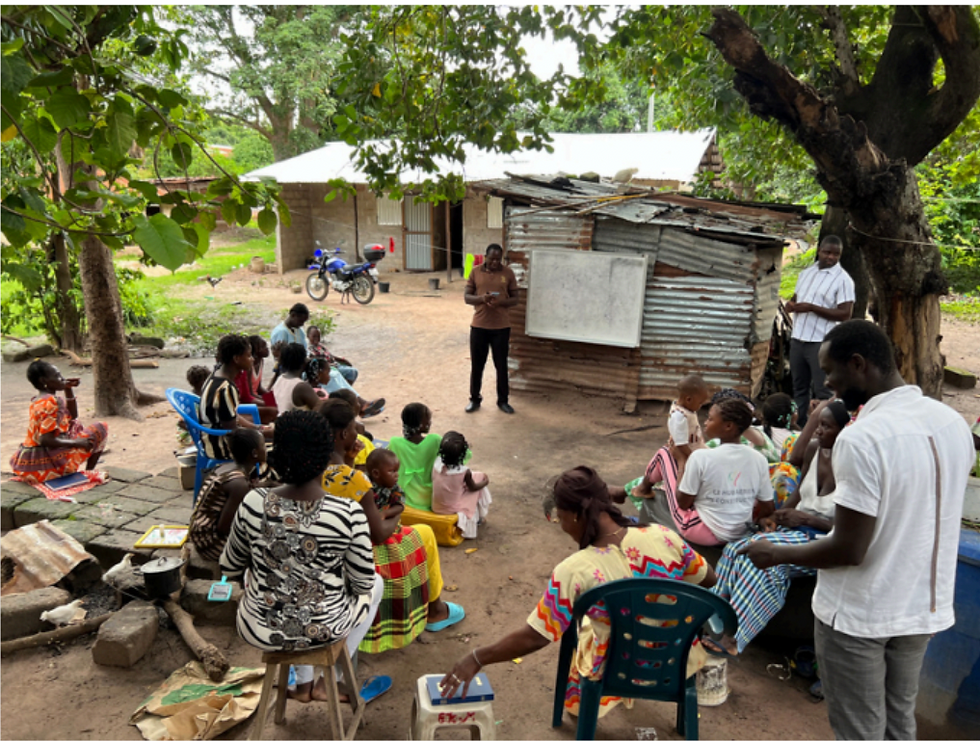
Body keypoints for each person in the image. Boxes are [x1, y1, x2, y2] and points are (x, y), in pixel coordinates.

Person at [741, 320, 974, 740]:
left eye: (831, 372)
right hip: (921, 607)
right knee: (898, 723)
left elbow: (849, 549)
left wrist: (776, 553)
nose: (828, 383)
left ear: (859, 364)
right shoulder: (952, 423)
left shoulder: (862, 438)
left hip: (860, 613)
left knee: (859, 730)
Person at [440, 467, 716, 723]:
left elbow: (536, 636)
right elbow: (708, 579)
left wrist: (477, 657)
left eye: (559, 517)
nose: (562, 526)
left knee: (588, 628)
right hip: (676, 659)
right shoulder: (664, 536)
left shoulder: (574, 570)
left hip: (617, 669)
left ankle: (586, 704)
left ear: (573, 515)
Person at [219, 410, 390, 705]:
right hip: (324, 627)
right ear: (327, 453)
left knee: (277, 582)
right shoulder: (347, 513)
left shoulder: (252, 501)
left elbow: (229, 565)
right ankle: (329, 681)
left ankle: (304, 683)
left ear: (276, 454)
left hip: (260, 626)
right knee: (375, 584)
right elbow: (361, 584)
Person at [707, 399, 849, 655]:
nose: (817, 430)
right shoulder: (815, 449)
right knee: (732, 551)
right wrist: (776, 516)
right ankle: (713, 618)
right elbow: (798, 496)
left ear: (844, 431)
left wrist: (805, 519)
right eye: (818, 424)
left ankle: (734, 638)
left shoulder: (853, 464)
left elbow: (848, 530)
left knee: (763, 565)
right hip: (795, 530)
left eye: (826, 426)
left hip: (823, 538)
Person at [318, 399, 466, 642]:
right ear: (344, 433)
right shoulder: (356, 480)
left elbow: (340, 487)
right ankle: (435, 611)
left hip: (328, 550)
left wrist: (351, 461)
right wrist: (396, 513)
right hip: (358, 554)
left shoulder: (315, 468)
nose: (359, 431)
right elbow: (378, 533)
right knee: (425, 534)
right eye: (355, 427)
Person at [669, 398, 775, 546]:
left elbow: (683, 503)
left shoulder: (700, 457)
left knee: (665, 455)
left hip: (705, 532)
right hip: (741, 533)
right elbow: (768, 506)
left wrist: (681, 463)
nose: (705, 423)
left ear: (728, 426)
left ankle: (642, 488)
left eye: (710, 419)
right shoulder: (759, 459)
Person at [610, 375, 710, 524]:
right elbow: (681, 444)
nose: (701, 407)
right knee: (663, 457)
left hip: (694, 450)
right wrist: (692, 458)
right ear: (688, 399)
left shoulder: (686, 410)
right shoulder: (679, 416)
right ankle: (639, 489)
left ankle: (636, 489)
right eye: (700, 403)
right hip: (686, 453)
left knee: (661, 460)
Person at [786, 236, 855, 425]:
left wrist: (812, 308)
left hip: (821, 341)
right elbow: (796, 298)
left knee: (823, 389)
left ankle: (825, 427)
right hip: (798, 338)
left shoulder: (843, 280)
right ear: (819, 251)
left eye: (836, 254)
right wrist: (791, 305)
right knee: (799, 387)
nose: (831, 257)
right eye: (827, 252)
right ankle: (801, 424)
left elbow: (845, 314)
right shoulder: (806, 274)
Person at [10, 361, 108, 485]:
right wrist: (77, 442)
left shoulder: (37, 400)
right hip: (50, 468)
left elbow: (72, 416)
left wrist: (68, 388)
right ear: (43, 381)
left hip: (30, 468)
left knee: (75, 424)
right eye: (57, 376)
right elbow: (45, 440)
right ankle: (88, 472)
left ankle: (79, 470)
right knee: (101, 428)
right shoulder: (52, 401)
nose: (62, 378)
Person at [189, 428, 266, 562]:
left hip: (199, 533)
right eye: (264, 446)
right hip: (210, 544)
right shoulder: (239, 485)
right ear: (254, 453)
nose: (266, 449)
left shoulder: (226, 468)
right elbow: (224, 528)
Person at [464, 243, 519, 414]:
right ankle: (474, 399)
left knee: (501, 366)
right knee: (477, 365)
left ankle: (503, 401)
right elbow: (467, 297)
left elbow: (516, 298)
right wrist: (482, 299)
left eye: (498, 259)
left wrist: (501, 302)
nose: (495, 262)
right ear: (486, 257)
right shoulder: (475, 272)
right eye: (492, 259)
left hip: (501, 328)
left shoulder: (508, 273)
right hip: (479, 326)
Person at [200, 334, 270, 460]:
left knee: (269, 433)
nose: (252, 359)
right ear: (237, 359)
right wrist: (260, 433)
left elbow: (230, 416)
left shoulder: (215, 376)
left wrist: (255, 427)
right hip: (221, 446)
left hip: (213, 438)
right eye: (249, 356)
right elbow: (233, 432)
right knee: (274, 443)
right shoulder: (226, 388)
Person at [431, 431, 492, 539]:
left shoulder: (437, 463)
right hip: (451, 509)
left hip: (436, 506)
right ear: (462, 454)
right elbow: (473, 488)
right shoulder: (464, 472)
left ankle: (479, 517)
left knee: (477, 476)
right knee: (480, 479)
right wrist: (485, 482)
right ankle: (479, 518)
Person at [387, 403, 442, 510]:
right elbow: (463, 456)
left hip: (404, 499)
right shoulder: (435, 440)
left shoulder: (395, 443)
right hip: (431, 499)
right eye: (428, 420)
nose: (430, 422)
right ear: (421, 424)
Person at [233, 336, 277, 424]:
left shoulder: (261, 362)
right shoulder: (247, 368)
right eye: (263, 347)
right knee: (273, 411)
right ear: (256, 350)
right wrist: (267, 403)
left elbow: (259, 387)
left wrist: (271, 399)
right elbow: (249, 395)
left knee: (276, 403)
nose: (267, 349)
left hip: (253, 398)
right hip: (247, 402)